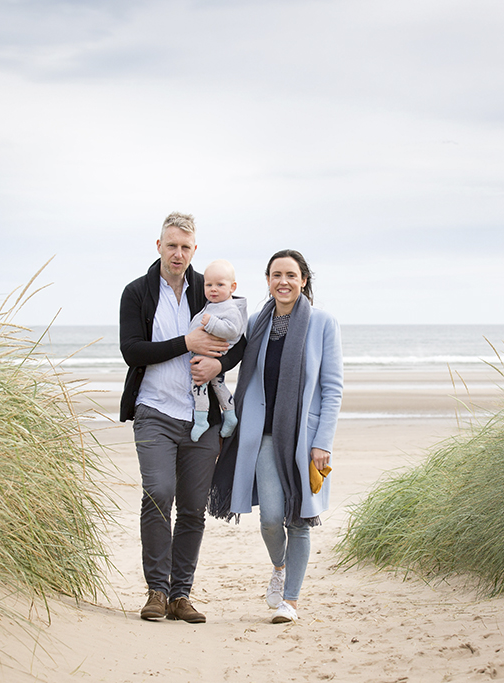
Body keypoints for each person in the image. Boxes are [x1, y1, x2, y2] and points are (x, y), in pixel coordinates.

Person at [119, 212, 245, 624]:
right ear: (159, 246)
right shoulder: (137, 292)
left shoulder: (205, 291)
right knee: (158, 493)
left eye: (185, 247)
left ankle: (180, 595)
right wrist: (185, 343)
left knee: (192, 507)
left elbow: (238, 338)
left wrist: (217, 368)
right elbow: (132, 351)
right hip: (153, 410)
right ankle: (156, 591)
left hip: (201, 418)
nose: (178, 253)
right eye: (171, 245)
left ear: (195, 250)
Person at [209, 249, 343, 624]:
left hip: (303, 438)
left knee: (298, 519)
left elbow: (332, 388)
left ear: (304, 280)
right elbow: (229, 352)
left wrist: (323, 442)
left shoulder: (322, 323)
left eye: (291, 275)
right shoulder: (256, 323)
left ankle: (292, 601)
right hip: (264, 435)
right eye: (275, 275)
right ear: (267, 281)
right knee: (270, 518)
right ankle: (279, 568)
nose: (283, 281)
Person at [188, 259, 248, 442]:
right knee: (218, 386)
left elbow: (233, 330)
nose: (213, 289)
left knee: (198, 386)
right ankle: (230, 417)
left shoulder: (230, 308)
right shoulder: (214, 304)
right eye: (209, 285)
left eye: (220, 285)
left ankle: (201, 420)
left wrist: (211, 323)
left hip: (211, 356)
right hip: (209, 355)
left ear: (233, 287)